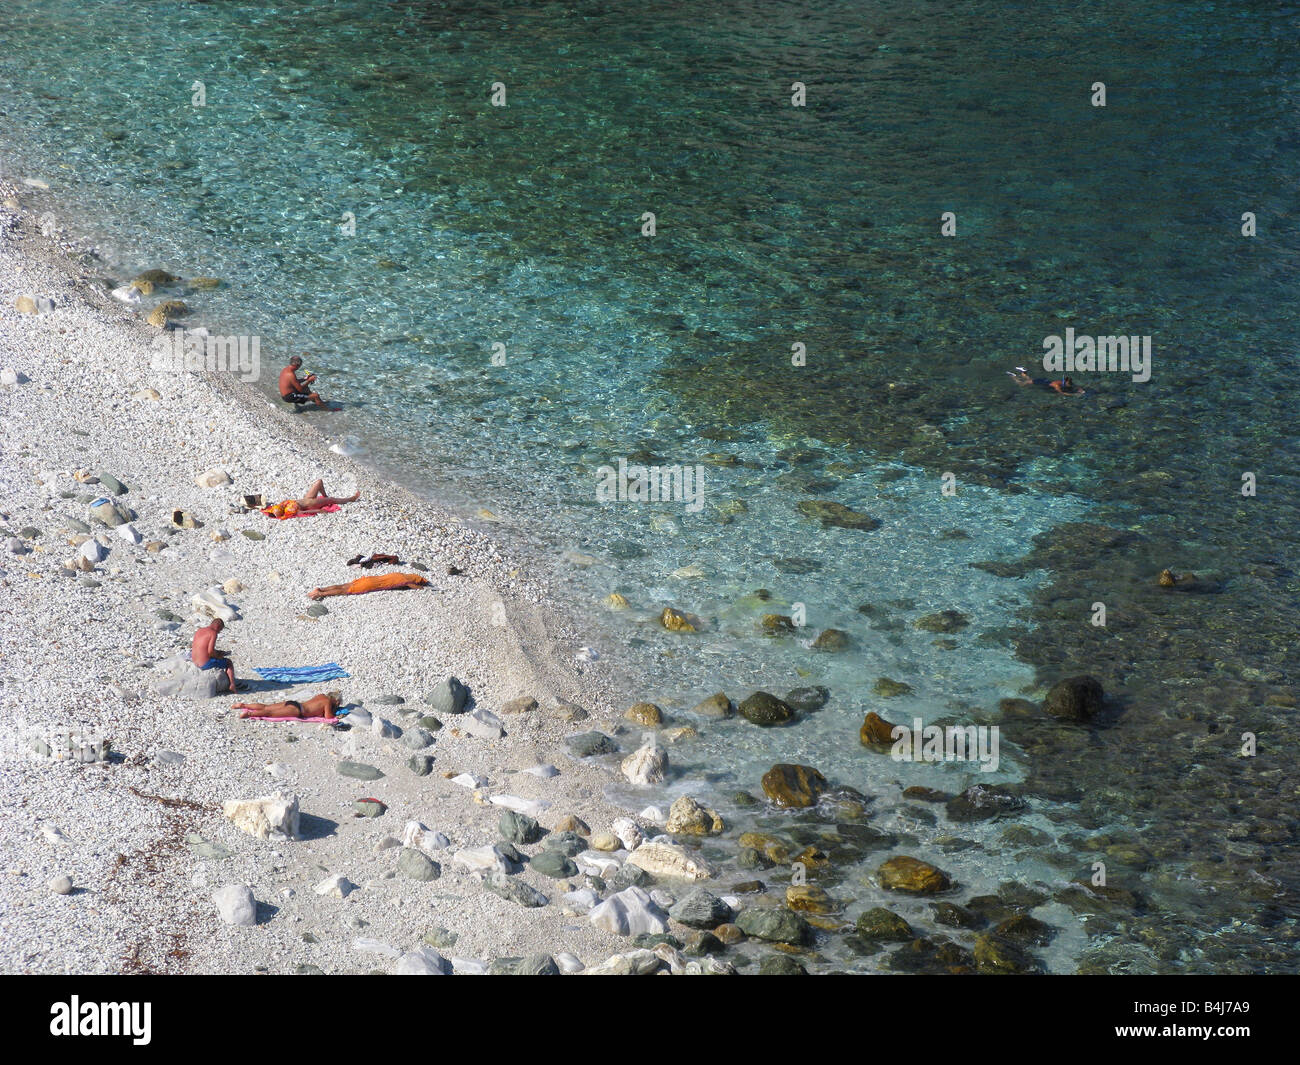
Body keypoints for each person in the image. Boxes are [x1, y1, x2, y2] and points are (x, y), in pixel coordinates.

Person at [263, 479, 360, 518]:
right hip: (311, 503)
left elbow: (267, 507)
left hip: (306, 499)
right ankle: (351, 499)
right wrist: (320, 511)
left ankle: (325, 496)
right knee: (332, 499)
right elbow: (303, 513)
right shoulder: (290, 511)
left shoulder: (281, 505)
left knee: (319, 482)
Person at [191, 618, 239, 692]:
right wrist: (219, 655)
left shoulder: (199, 630)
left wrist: (218, 652)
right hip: (204, 664)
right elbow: (210, 651)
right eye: (220, 630)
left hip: (194, 661)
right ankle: (232, 685)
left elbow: (202, 648)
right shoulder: (213, 633)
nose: (219, 632)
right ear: (218, 627)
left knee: (219, 657)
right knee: (228, 662)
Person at [308, 571, 430, 600]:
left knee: (344, 585)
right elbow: (416, 587)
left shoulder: (400, 574)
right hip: (370, 584)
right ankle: (320, 593)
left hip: (369, 579)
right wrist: (422, 588)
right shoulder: (405, 581)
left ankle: (321, 589)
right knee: (344, 591)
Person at [234, 691, 342, 721]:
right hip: (298, 710)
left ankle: (243, 705)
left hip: (295, 703)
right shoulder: (327, 702)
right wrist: (335, 711)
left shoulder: (321, 695)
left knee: (266, 707)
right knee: (270, 713)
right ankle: (249, 713)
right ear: (336, 701)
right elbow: (328, 717)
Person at [1010, 368, 1086, 396]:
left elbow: (1073, 386)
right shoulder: (1057, 385)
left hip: (1045, 380)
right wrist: (1074, 394)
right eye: (1069, 384)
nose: (1071, 385)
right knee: (1021, 384)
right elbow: (1062, 393)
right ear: (1066, 382)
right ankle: (1013, 375)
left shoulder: (1064, 382)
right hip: (1041, 382)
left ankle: (1024, 372)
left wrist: (1080, 390)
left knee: (1029, 380)